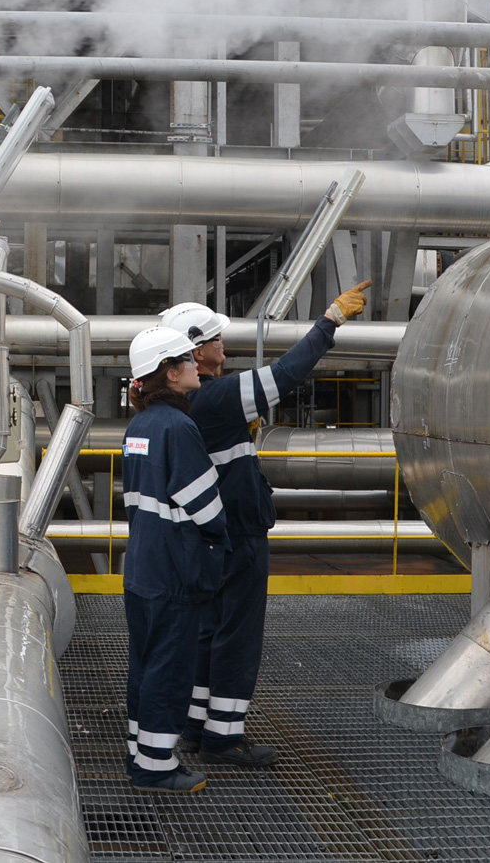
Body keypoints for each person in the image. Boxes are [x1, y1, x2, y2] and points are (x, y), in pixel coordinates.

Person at [158, 280, 371, 767]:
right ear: (194, 351)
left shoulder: (186, 404)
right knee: (238, 634)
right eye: (213, 340)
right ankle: (224, 737)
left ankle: (196, 726)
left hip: (213, 536)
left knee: (210, 631)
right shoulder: (213, 398)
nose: (221, 346)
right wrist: (330, 320)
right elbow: (286, 374)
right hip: (238, 534)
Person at [119, 326, 228, 793]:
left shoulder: (139, 426)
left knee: (145, 663)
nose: (196, 363)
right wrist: (221, 538)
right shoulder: (179, 427)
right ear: (170, 371)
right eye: (188, 358)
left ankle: (140, 753)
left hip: (143, 566)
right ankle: (156, 767)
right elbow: (205, 506)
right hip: (174, 573)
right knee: (169, 667)